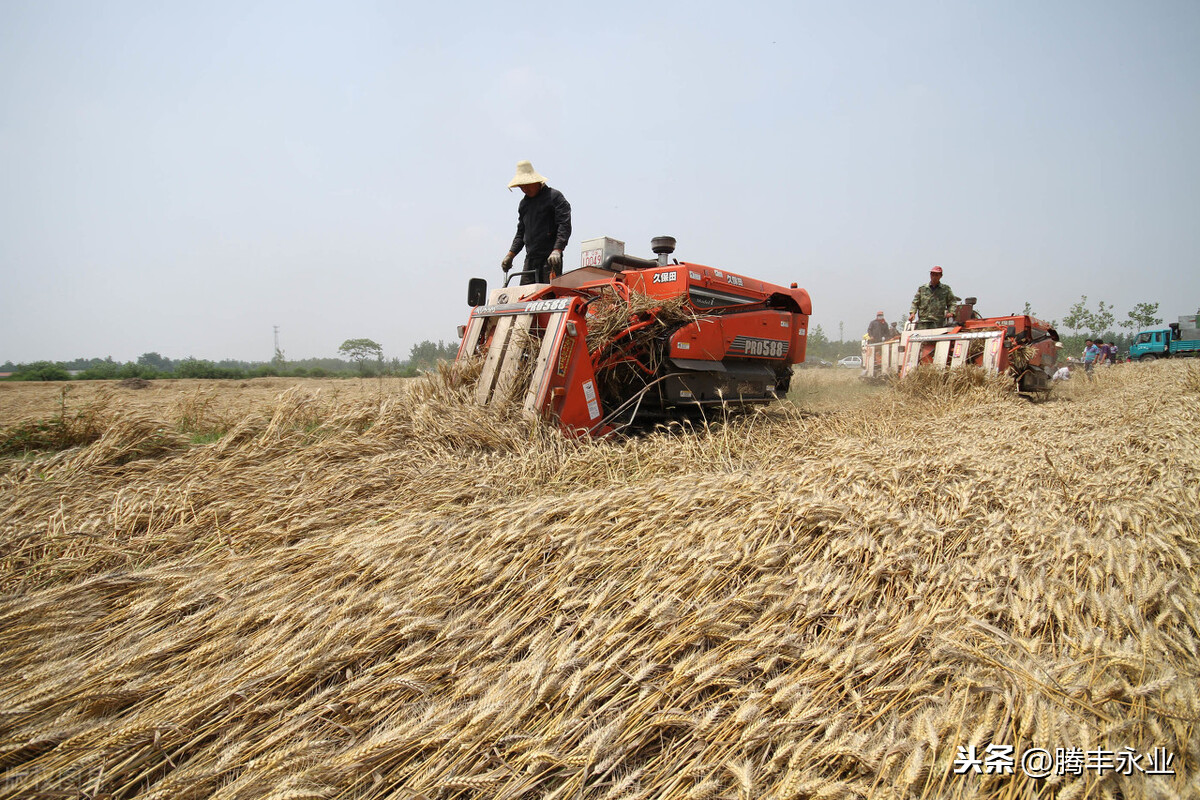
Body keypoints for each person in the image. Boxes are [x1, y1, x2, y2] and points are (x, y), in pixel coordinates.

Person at [501, 160, 572, 285]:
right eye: (521, 186)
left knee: (548, 297)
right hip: (531, 259)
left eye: (527, 185)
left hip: (550, 258)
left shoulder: (554, 197)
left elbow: (564, 225)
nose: (524, 189)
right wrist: (510, 255)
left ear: (536, 181)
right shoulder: (524, 204)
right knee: (525, 295)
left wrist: (557, 250)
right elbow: (521, 233)